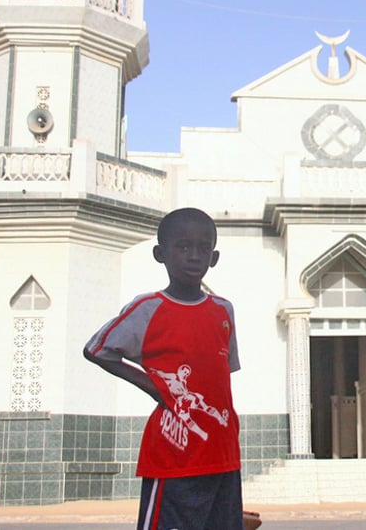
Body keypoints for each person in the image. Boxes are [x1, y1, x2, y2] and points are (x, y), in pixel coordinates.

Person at [83, 208, 248, 530]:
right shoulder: (148, 308)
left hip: (223, 451)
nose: (193, 257)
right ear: (161, 253)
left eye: (203, 249)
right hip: (175, 454)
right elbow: (97, 350)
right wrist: (152, 386)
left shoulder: (222, 310)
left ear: (214, 258)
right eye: (183, 247)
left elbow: (219, 376)